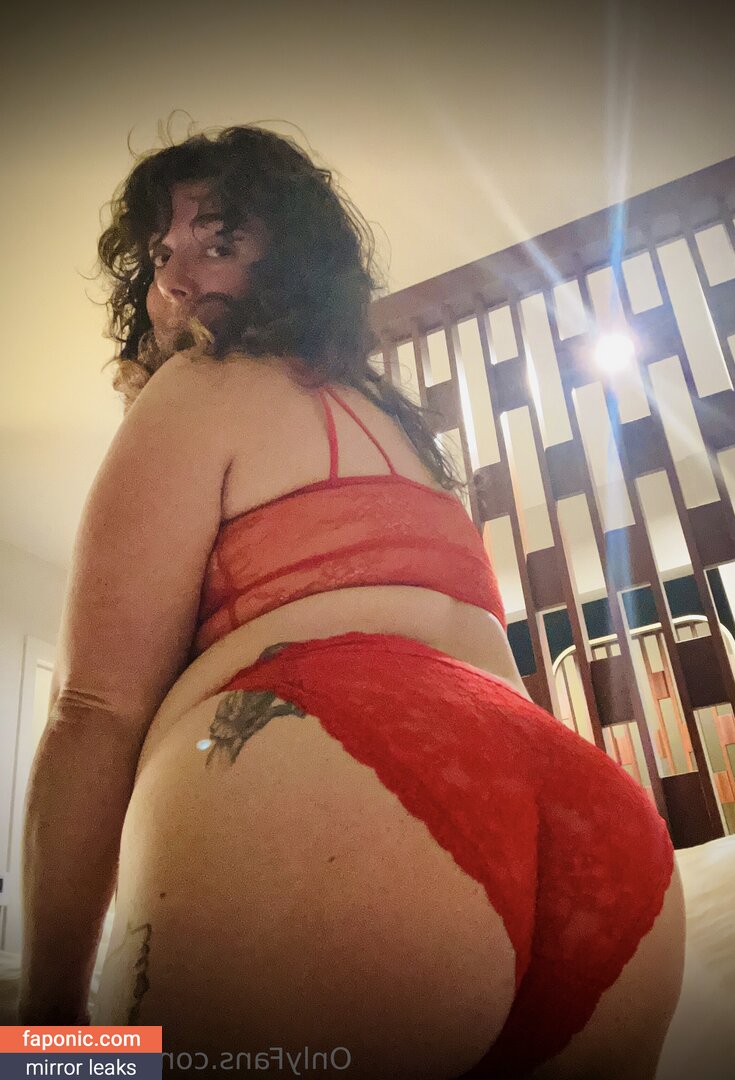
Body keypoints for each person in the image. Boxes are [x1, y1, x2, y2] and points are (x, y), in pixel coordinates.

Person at [18, 123, 685, 1078]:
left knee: (64, 1068)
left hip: (336, 790)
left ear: (295, 261)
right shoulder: (417, 449)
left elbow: (93, 707)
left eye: (217, 241)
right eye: (161, 255)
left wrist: (48, 1021)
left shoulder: (202, 382)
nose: (176, 280)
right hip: (594, 829)